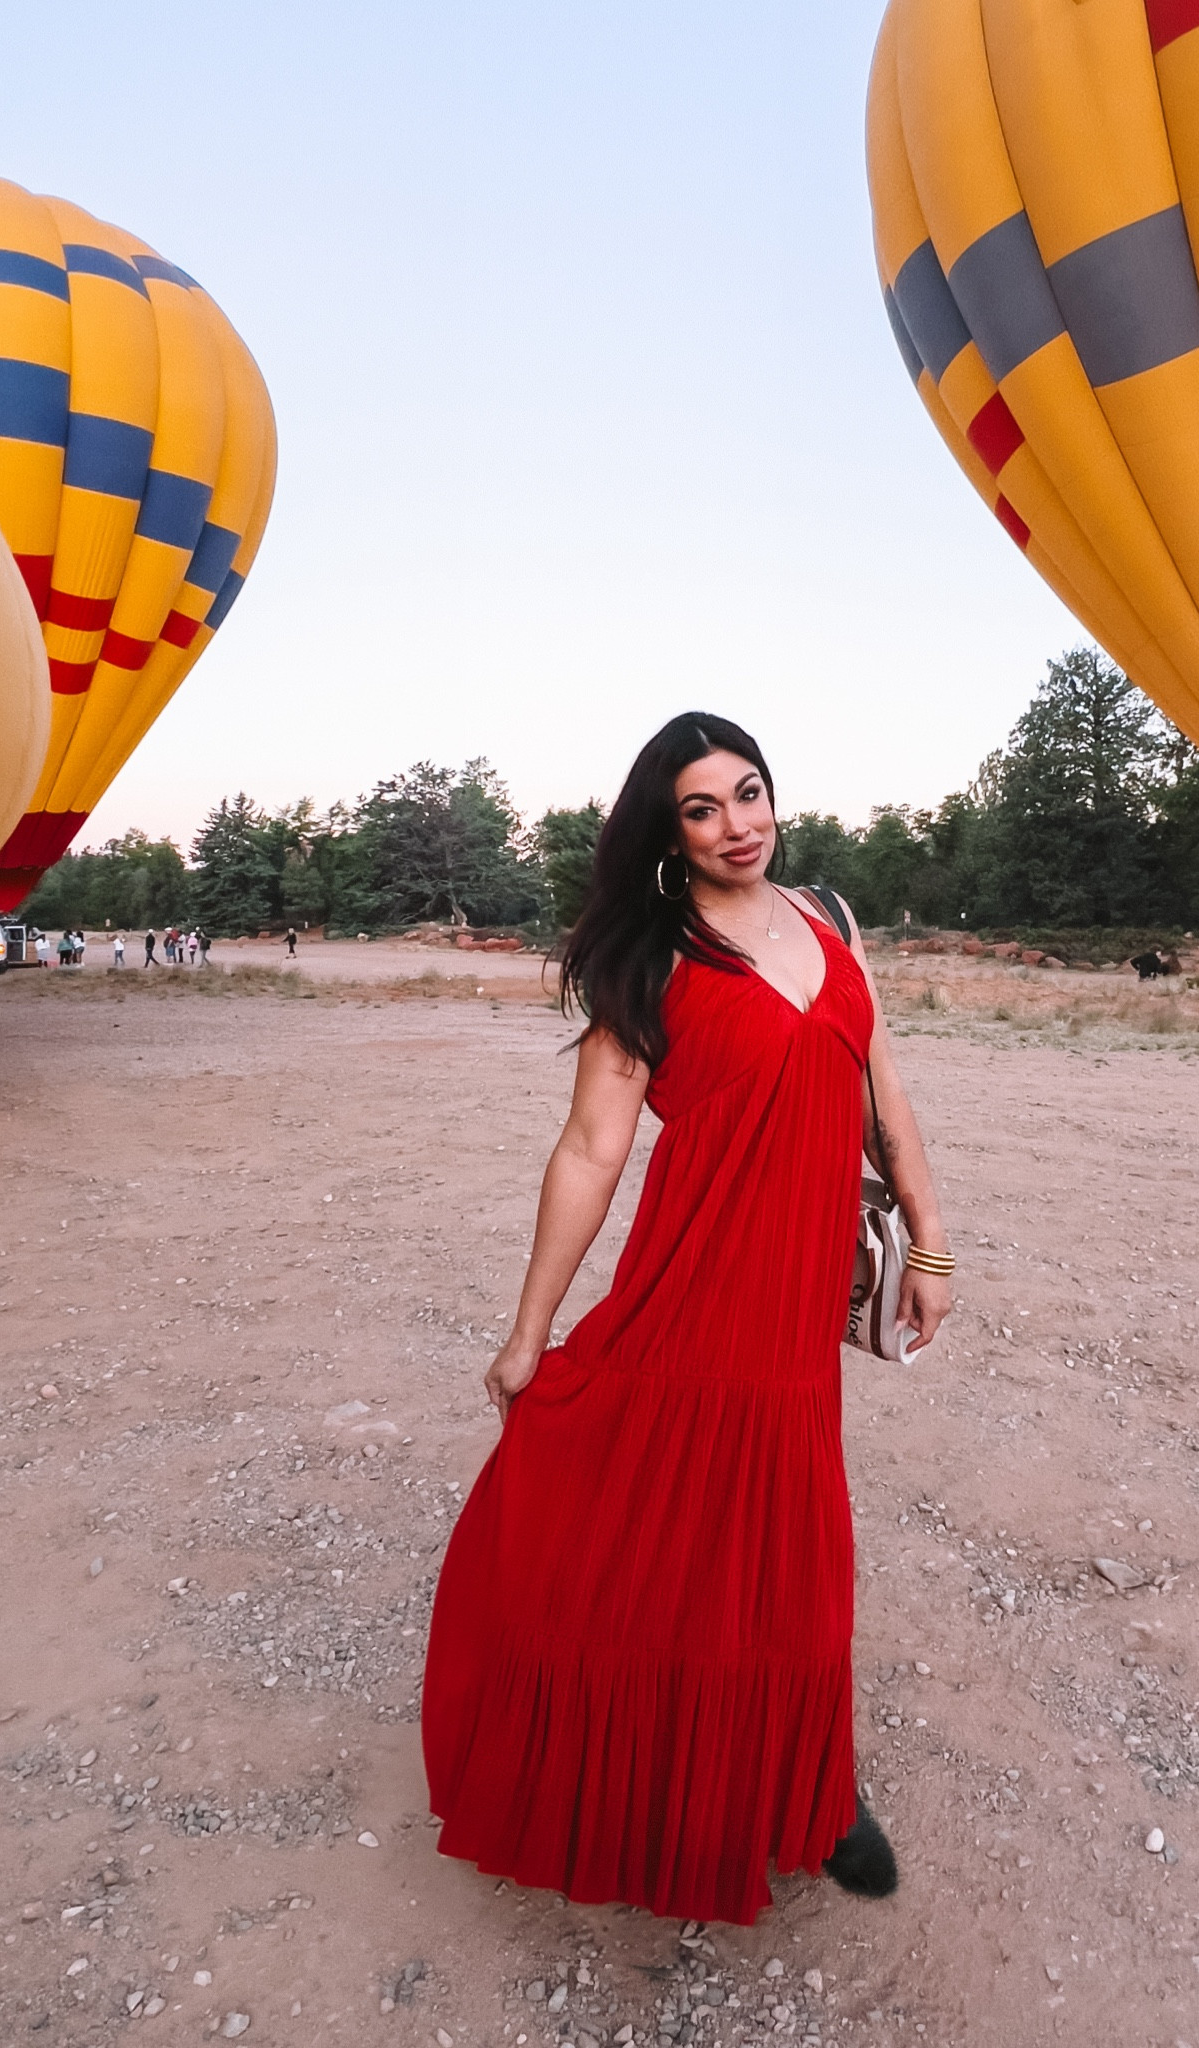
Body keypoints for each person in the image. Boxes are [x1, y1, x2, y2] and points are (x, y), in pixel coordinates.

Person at [421, 712, 955, 1925]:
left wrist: (927, 1240)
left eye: (748, 792)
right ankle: (654, 1788)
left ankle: (810, 1790)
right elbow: (590, 1147)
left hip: (794, 1304)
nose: (736, 824)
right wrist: (528, 1331)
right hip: (695, 1287)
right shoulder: (649, 961)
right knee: (665, 1535)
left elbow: (883, 1094)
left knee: (796, 1552)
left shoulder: (832, 925)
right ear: (670, 835)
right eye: (702, 809)